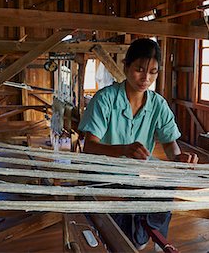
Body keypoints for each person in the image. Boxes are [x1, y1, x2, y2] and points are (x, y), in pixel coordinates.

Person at [78, 38, 198, 250]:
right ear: (126, 66)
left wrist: (178, 159)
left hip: (135, 176)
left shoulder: (158, 105)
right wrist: (123, 149)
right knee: (117, 232)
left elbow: (170, 144)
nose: (146, 78)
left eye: (153, 72)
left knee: (165, 186)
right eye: (139, 70)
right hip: (102, 176)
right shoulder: (105, 99)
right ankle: (128, 237)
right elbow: (90, 147)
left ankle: (141, 235)